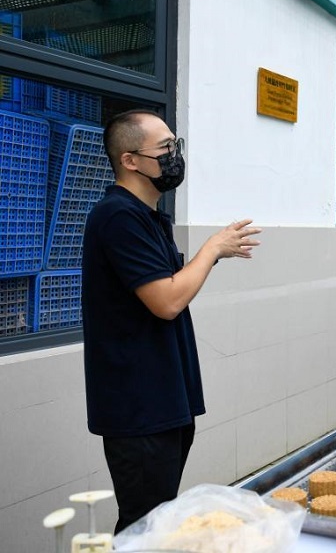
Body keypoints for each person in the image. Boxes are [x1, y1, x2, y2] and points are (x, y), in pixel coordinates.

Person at [82, 110, 262, 533]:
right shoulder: (117, 217)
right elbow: (167, 301)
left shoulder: (147, 218)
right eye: (164, 149)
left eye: (174, 146)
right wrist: (212, 249)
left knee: (159, 518)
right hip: (138, 407)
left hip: (165, 400)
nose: (173, 156)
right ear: (129, 160)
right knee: (143, 526)